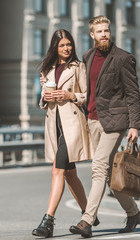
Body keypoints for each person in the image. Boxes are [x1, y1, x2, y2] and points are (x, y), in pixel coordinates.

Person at [69, 15, 140, 238]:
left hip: (115, 123)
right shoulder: (87, 56)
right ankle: (133, 214)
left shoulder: (123, 58)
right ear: (92, 35)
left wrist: (134, 125)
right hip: (92, 120)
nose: (104, 34)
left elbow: (133, 93)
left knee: (98, 167)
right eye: (100, 31)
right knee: (110, 176)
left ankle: (87, 220)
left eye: (107, 31)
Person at [32, 29, 98, 238]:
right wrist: (45, 95)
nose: (66, 48)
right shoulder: (47, 69)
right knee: (70, 174)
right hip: (55, 126)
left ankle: (48, 220)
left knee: (57, 170)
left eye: (69, 44)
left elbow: (87, 97)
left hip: (72, 126)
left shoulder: (79, 67)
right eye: (62, 45)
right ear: (55, 47)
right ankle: (90, 214)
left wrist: (70, 94)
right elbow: (42, 102)